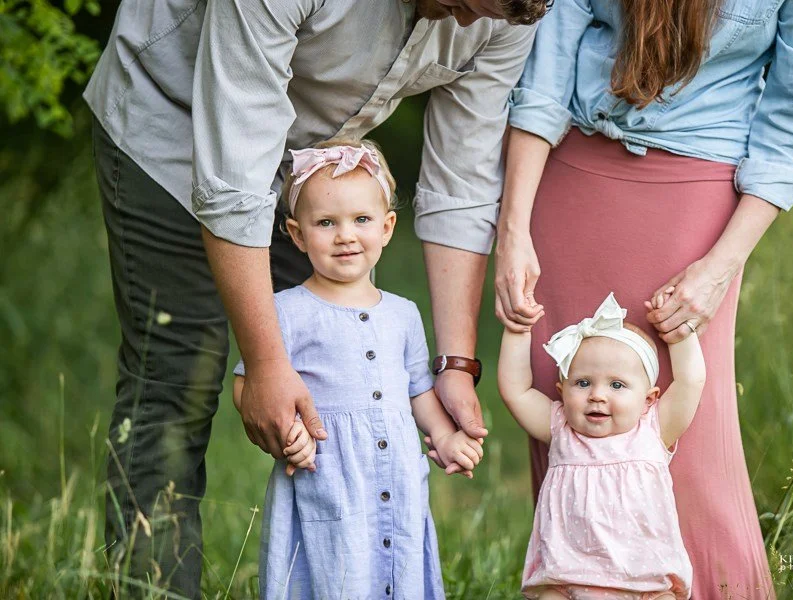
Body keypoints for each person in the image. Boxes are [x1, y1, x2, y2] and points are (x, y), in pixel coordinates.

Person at [84, 0, 547, 595]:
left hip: (307, 175)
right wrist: (268, 364)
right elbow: (234, 176)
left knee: (333, 382)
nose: (462, 26)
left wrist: (454, 365)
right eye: (461, 5)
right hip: (169, 122)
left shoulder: (509, 12)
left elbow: (460, 179)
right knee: (178, 377)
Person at [495, 0, 793, 597]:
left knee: (690, 446)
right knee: (569, 426)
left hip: (699, 197)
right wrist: (514, 227)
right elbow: (547, 65)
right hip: (570, 175)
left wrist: (721, 266)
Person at [229, 140, 483, 598]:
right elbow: (249, 384)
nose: (346, 235)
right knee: (331, 572)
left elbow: (419, 391)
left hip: (396, 475)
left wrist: (444, 437)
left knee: (394, 566)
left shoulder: (403, 313)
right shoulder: (284, 311)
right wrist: (290, 434)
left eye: (361, 220)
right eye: (326, 223)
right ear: (297, 233)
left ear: (386, 228)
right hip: (326, 472)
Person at [499, 291, 704, 600]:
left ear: (648, 399)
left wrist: (678, 332)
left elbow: (690, 381)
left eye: (616, 385)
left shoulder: (652, 431)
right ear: (562, 392)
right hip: (565, 582)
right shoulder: (561, 429)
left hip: (647, 585)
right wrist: (518, 330)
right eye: (582, 383)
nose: (597, 394)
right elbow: (516, 391)